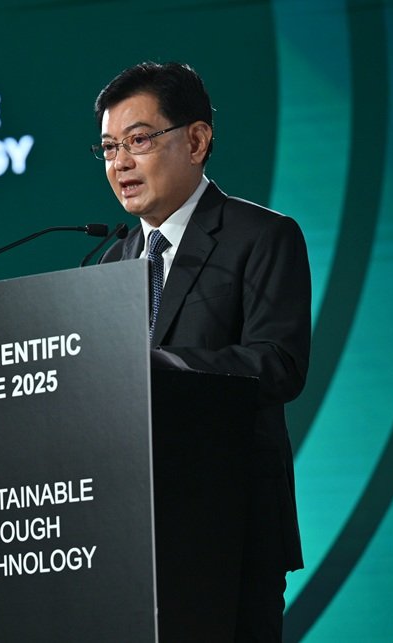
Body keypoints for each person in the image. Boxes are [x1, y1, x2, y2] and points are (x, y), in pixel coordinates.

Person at [93, 61, 311, 640]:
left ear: (195, 140)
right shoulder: (110, 263)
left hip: (231, 528)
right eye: (109, 148)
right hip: (132, 536)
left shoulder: (261, 236)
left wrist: (161, 367)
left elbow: (279, 364)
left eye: (138, 140)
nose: (120, 163)